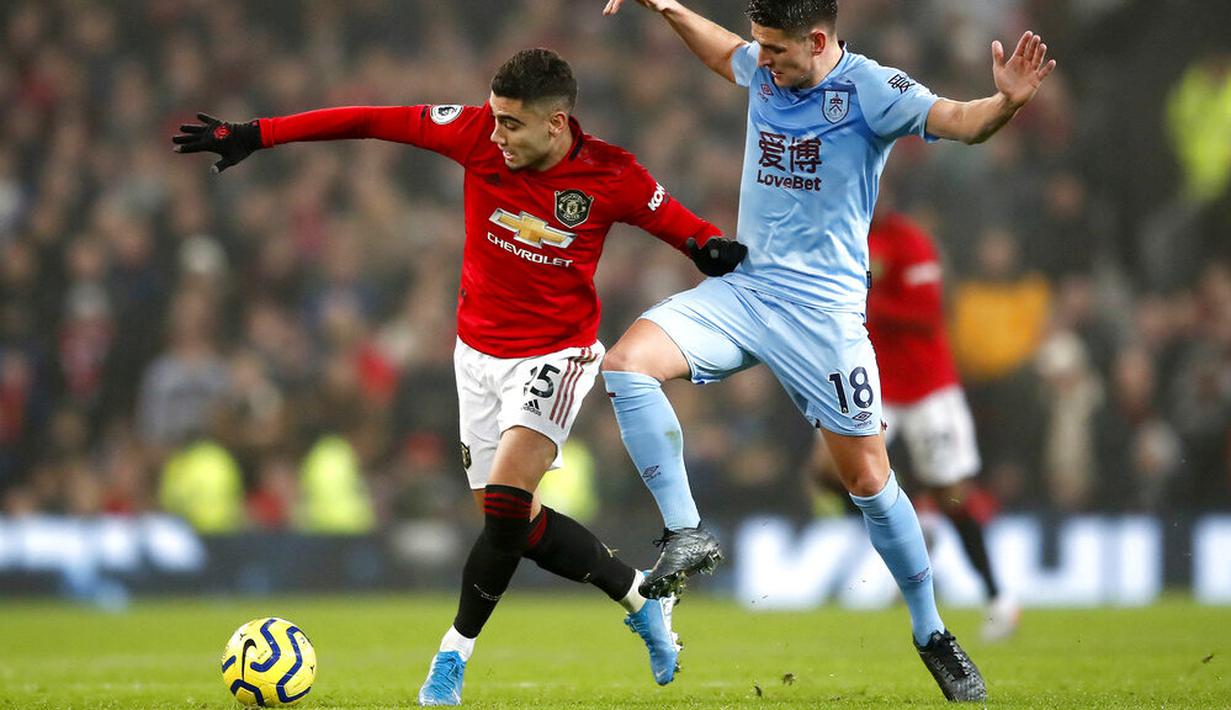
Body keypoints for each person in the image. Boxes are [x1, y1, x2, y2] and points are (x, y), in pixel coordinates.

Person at [172, 47, 746, 706]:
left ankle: (450, 661)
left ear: (557, 124)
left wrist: (719, 251)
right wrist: (255, 134)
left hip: (555, 356)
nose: (496, 135)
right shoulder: (473, 134)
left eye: (512, 124)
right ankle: (637, 595)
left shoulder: (612, 175)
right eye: (494, 118)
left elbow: (691, 235)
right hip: (475, 355)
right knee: (514, 525)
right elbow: (369, 120)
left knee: (503, 502)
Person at [599, 0, 1054, 701]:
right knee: (626, 365)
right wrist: (666, 6)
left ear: (817, 40)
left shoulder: (872, 90)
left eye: (775, 50)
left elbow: (961, 122)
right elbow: (724, 50)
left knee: (869, 481)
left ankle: (931, 632)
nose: (763, 63)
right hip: (744, 294)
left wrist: (1006, 103)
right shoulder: (763, 67)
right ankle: (685, 532)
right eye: (760, 47)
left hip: (824, 319)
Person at [808, 206, 1021, 642]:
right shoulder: (836, 237)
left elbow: (927, 316)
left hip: (928, 387)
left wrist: (864, 298)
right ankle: (907, 519)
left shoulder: (909, 241)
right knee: (827, 472)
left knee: (953, 497)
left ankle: (999, 598)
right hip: (875, 382)